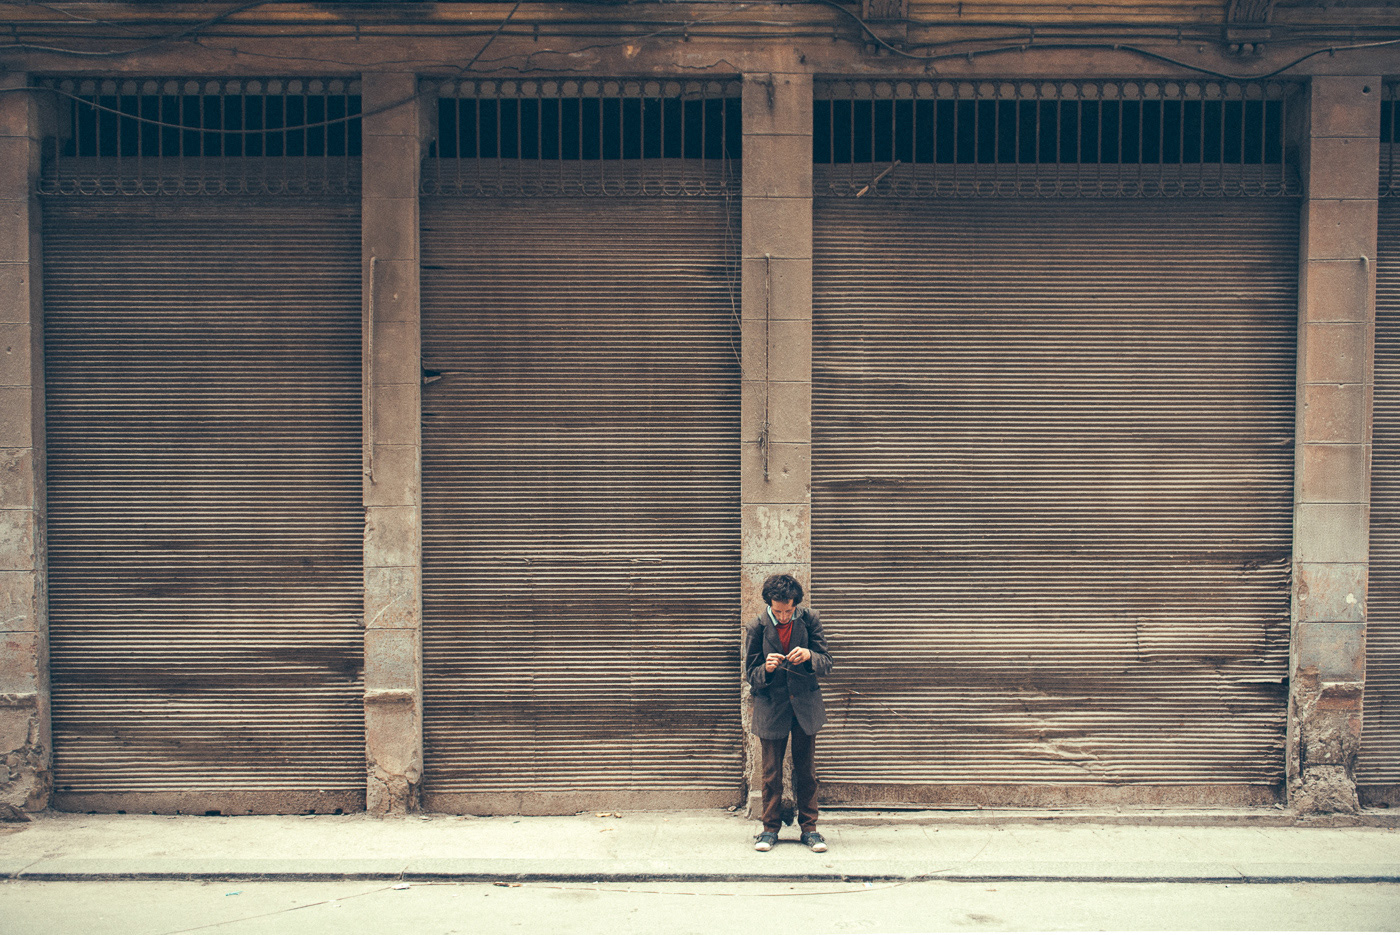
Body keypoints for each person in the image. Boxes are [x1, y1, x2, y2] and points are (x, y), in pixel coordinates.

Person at [743, 573, 833, 852]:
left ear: (796, 604)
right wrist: (766, 668)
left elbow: (827, 663)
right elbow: (750, 674)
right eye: (778, 611)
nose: (783, 617)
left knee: (806, 771)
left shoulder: (810, 620)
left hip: (805, 705)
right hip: (772, 707)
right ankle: (769, 830)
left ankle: (810, 830)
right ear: (769, 604)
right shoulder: (756, 627)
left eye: (788, 611)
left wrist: (809, 656)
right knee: (771, 773)